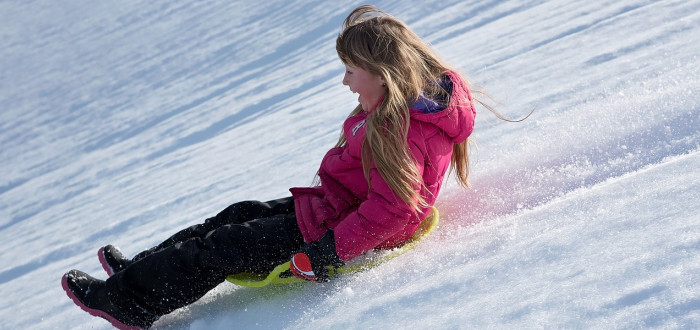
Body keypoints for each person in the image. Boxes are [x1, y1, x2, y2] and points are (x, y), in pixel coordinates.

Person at [62, 5, 477, 329]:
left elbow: (393, 211)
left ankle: (127, 303)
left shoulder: (399, 130)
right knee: (236, 214)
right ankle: (137, 271)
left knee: (221, 246)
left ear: (385, 76)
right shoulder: (405, 110)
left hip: (333, 232)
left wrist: (328, 254)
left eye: (351, 71)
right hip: (334, 208)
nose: (345, 82)